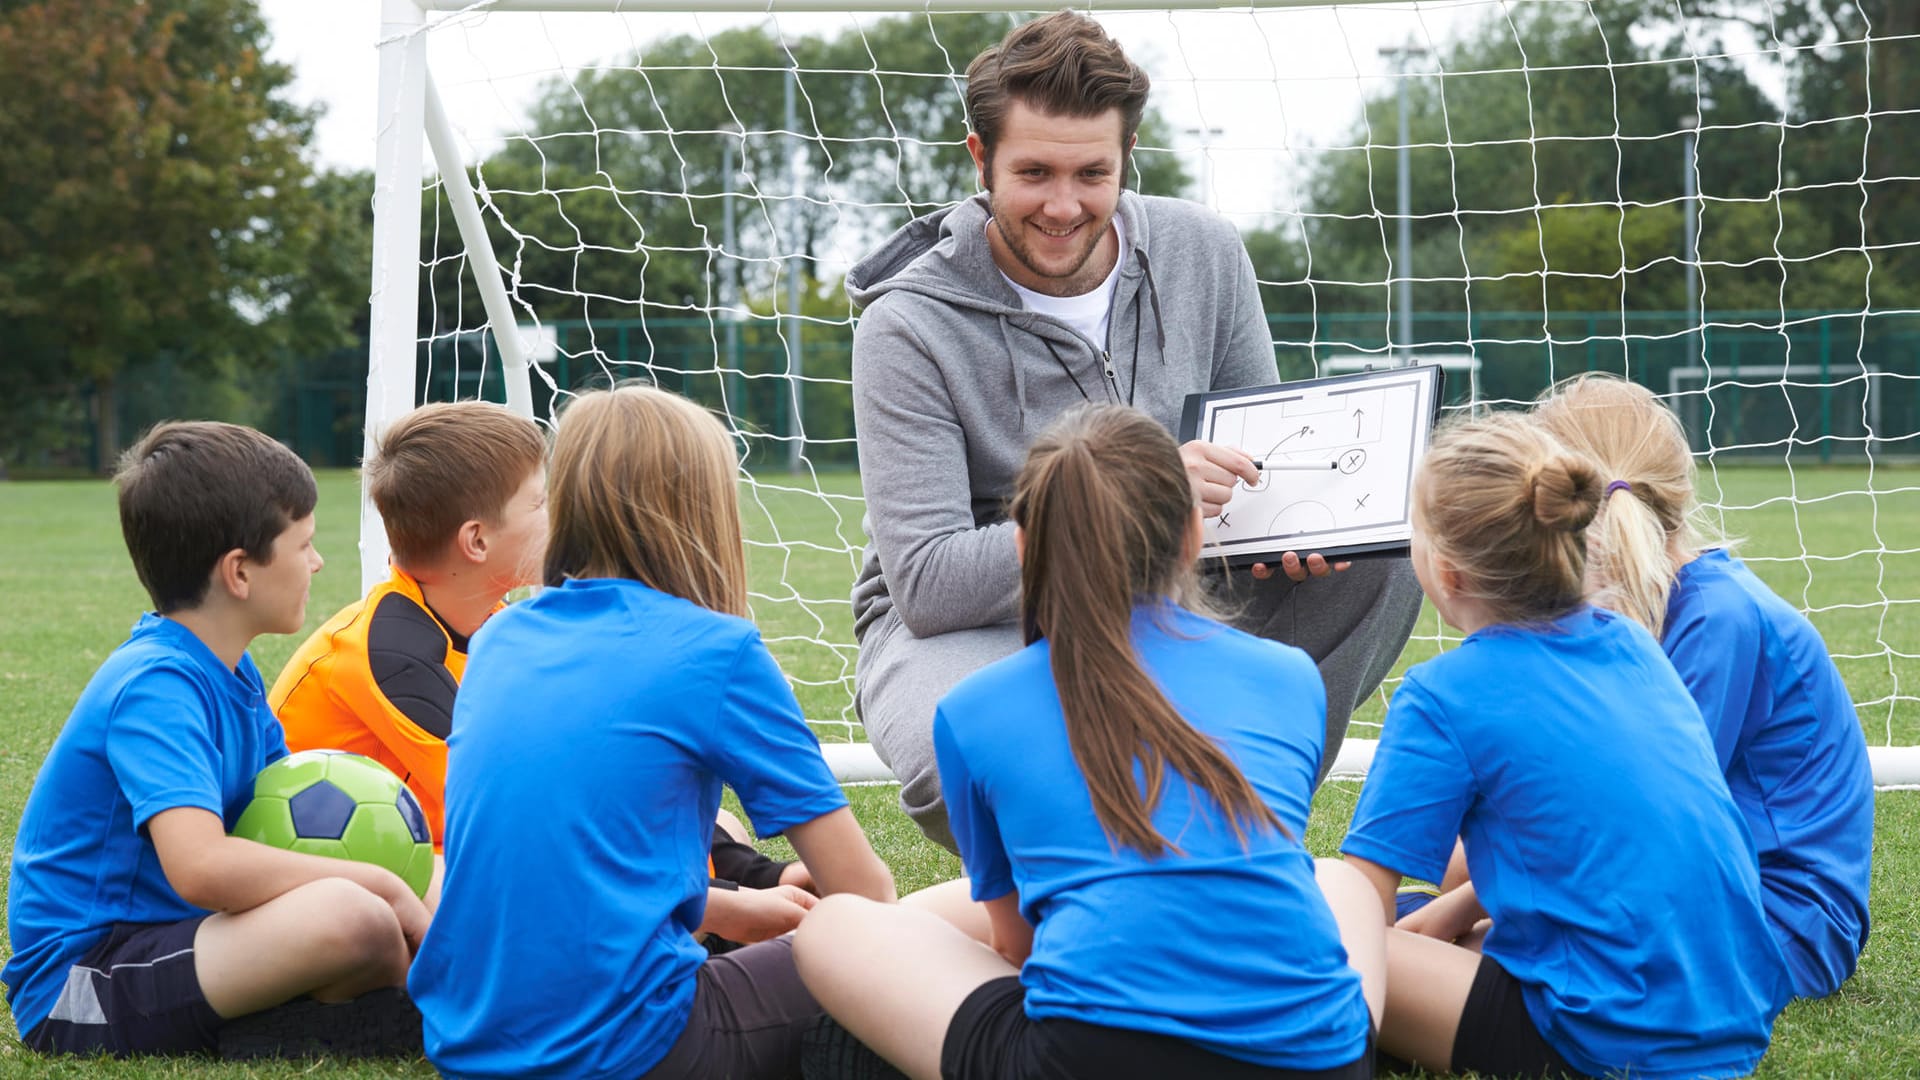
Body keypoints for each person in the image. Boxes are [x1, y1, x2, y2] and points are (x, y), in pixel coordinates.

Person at [846, 10, 1423, 849]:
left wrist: (1294, 527)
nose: (1062, 204)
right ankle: (1075, 902)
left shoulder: (1206, 252)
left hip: (1176, 587)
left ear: (1126, 159)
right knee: (961, 750)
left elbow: (1254, 470)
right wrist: (1123, 505)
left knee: (1383, 559)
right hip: (990, 622)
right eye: (1034, 172)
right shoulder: (905, 326)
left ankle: (1242, 826)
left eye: (1092, 173)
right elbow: (931, 585)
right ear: (981, 159)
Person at [795, 404, 1384, 1080]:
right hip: (1321, 1059)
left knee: (835, 928)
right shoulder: (1290, 676)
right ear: (1194, 534)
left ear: (1020, 546)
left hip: (1088, 1059)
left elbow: (1015, 947)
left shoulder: (970, 709)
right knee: (1337, 881)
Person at [409, 385, 896, 1080]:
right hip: (636, 1050)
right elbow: (865, 895)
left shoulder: (499, 637)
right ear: (706, 511)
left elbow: (571, 867)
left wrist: (731, 911)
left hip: (466, 1042)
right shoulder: (717, 652)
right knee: (941, 924)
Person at [1339, 413, 1792, 1079]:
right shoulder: (1632, 641)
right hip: (1729, 1020)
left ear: (1446, 570)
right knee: (1430, 917)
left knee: (1314, 912)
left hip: (1598, 1043)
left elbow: (1363, 899)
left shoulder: (1444, 693)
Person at [269, 400, 810, 929]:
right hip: (382, 883)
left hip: (461, 850)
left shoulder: (494, 626)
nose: (562, 514)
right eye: (541, 502)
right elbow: (542, 823)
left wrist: (763, 875)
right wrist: (730, 902)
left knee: (719, 823)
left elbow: (595, 779)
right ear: (477, 540)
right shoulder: (392, 658)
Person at [4, 422, 427, 1058]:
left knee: (430, 869)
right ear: (240, 573)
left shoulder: (233, 670)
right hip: (86, 980)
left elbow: (279, 822)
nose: (316, 562)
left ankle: (444, 996)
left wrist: (404, 877)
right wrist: (384, 889)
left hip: (189, 941)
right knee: (357, 912)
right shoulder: (157, 685)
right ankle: (371, 1020)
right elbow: (201, 867)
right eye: (303, 544)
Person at [1534, 373, 1873, 1000]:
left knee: (1452, 950)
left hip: (1778, 922)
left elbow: (1636, 819)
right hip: (1681, 895)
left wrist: (1470, 895)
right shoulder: (1630, 612)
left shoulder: (1720, 618)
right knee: (1409, 930)